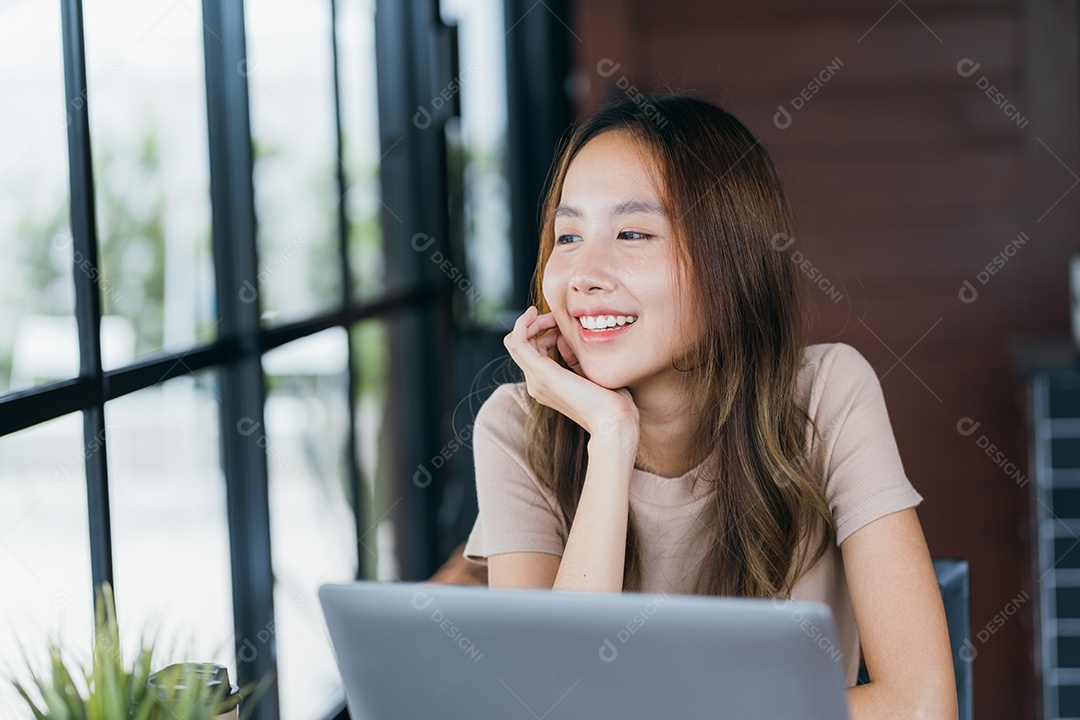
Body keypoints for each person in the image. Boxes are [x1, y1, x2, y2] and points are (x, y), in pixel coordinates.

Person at [462, 94, 957, 718]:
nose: (584, 273)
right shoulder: (514, 428)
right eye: (568, 235)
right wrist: (611, 439)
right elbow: (548, 706)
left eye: (633, 233)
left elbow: (922, 705)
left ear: (731, 260)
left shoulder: (827, 393)